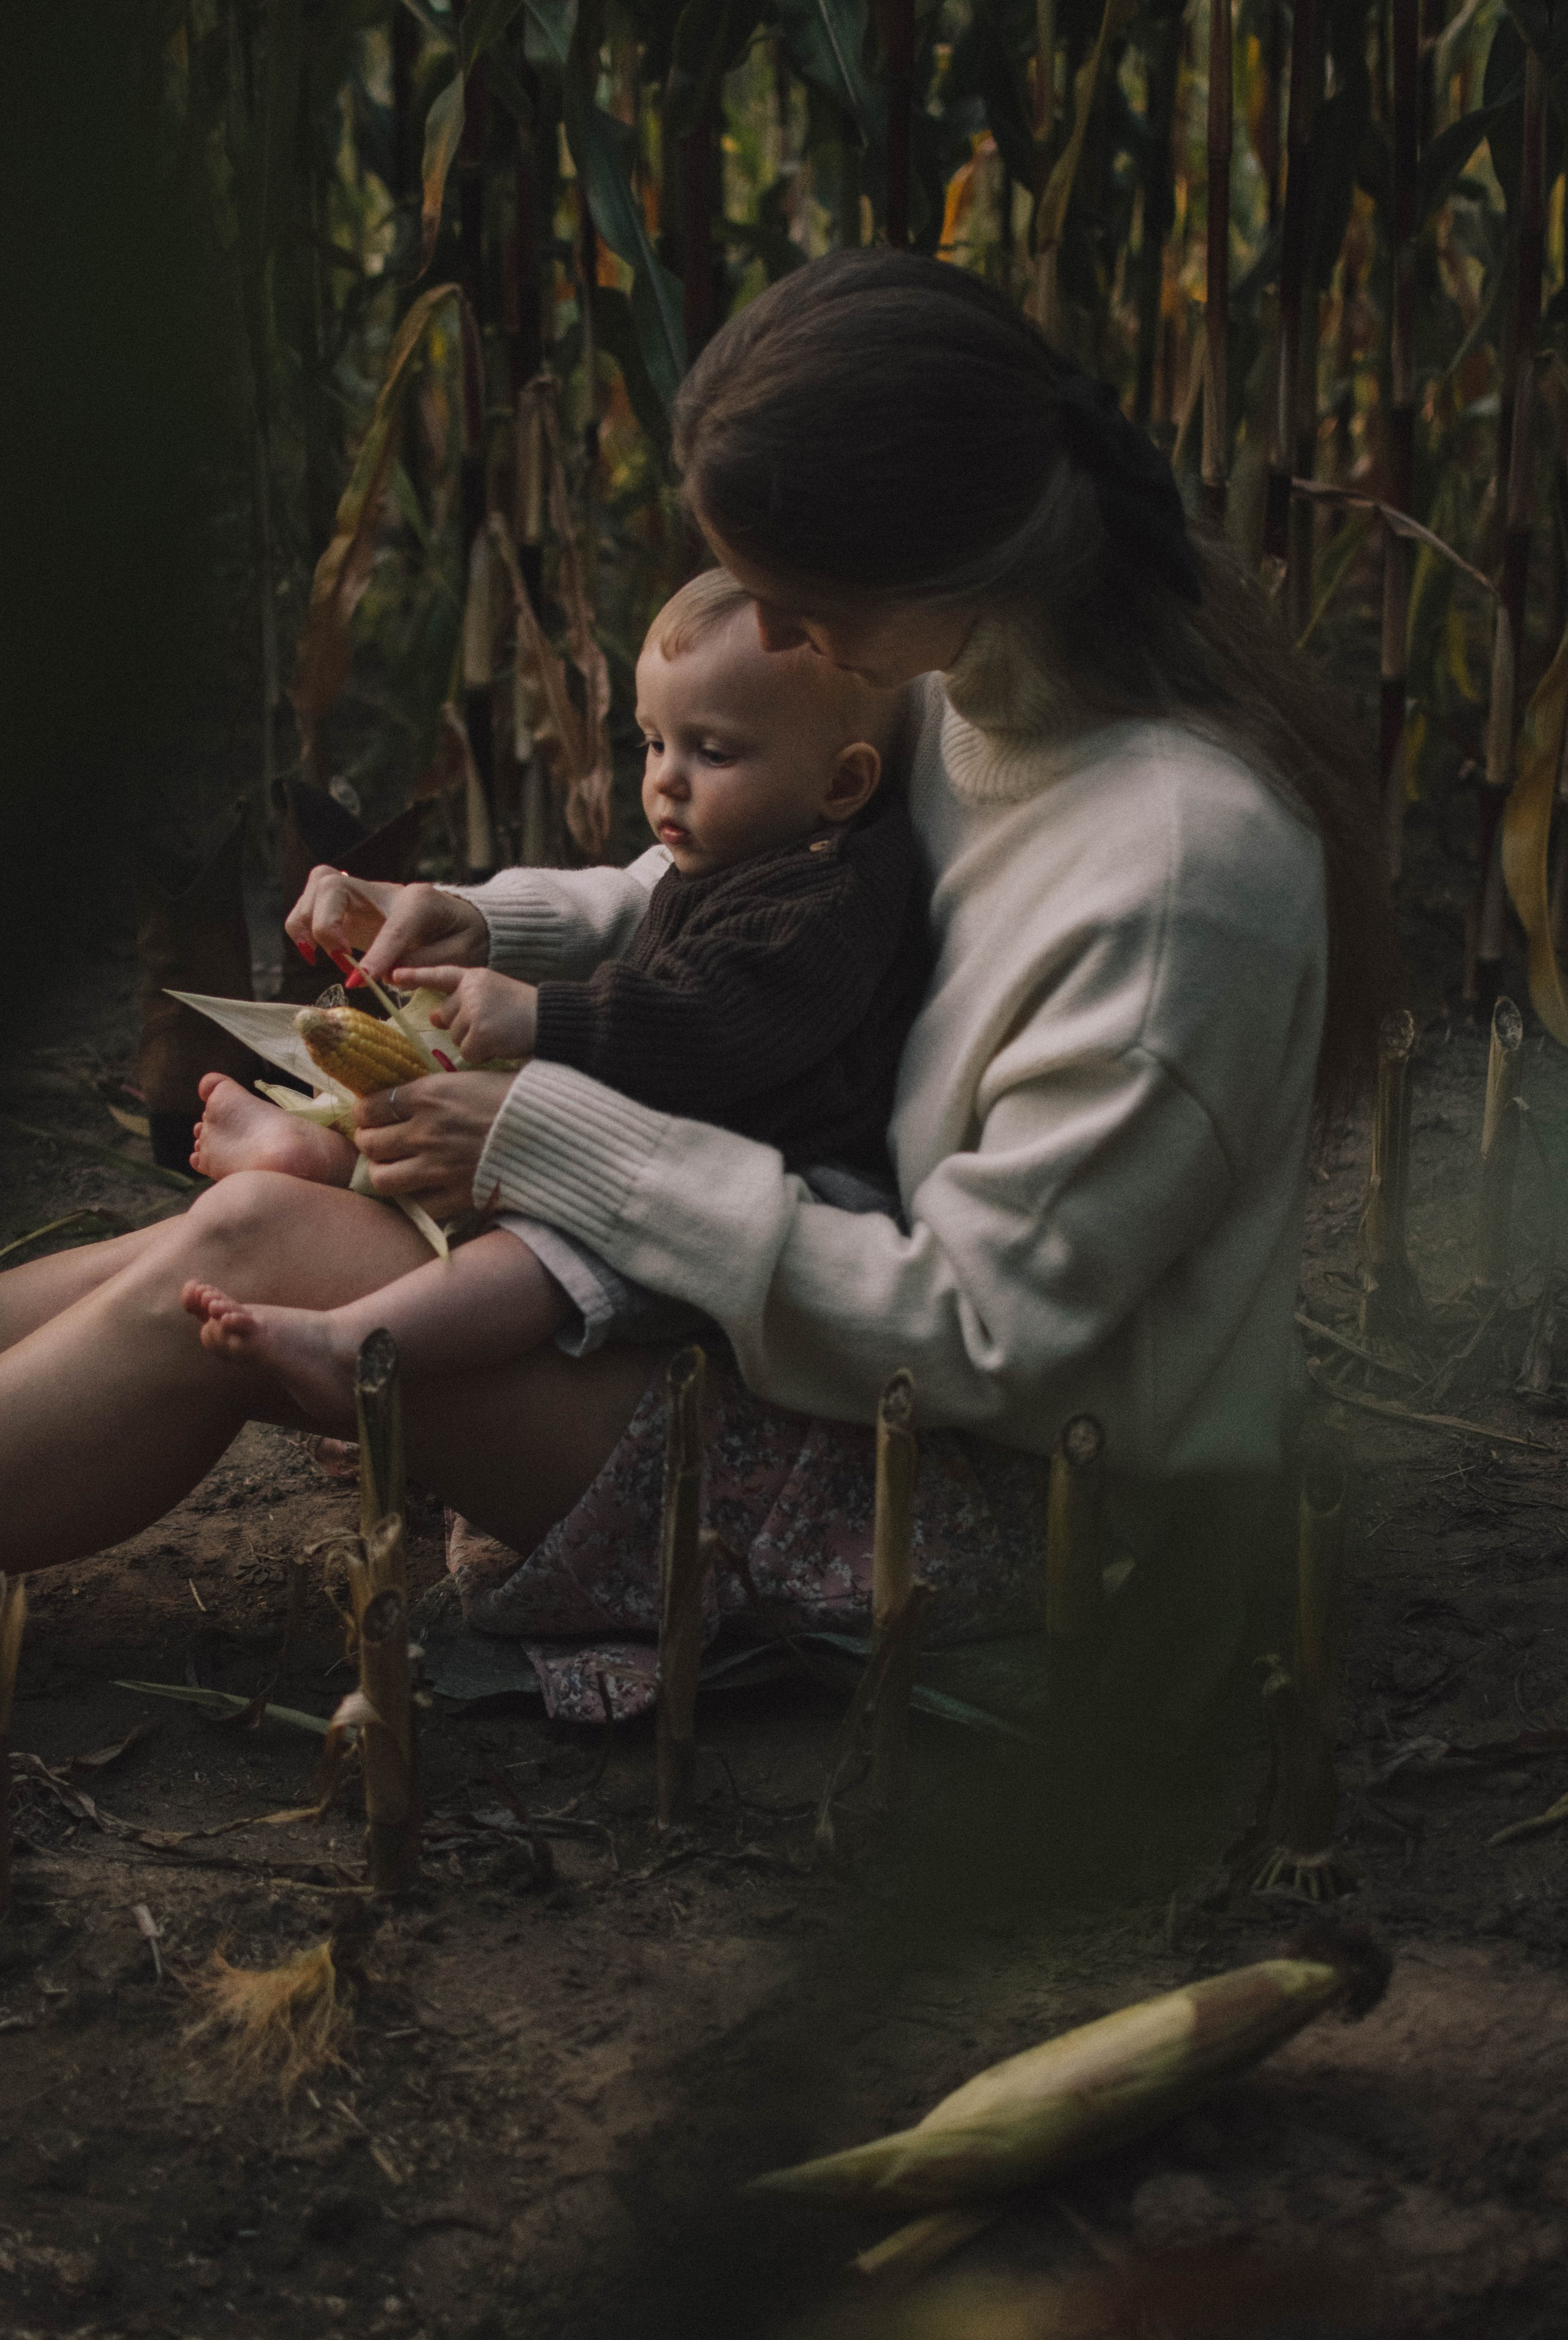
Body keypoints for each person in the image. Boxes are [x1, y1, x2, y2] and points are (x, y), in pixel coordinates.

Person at [0, 250, 1398, 1732]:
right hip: (821, 1364)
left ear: (927, 553)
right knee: (246, 1223)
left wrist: (553, 1143)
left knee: (273, 1239)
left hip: (998, 1513)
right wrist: (472, 922)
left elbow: (982, 1337)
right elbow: (727, 907)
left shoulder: (1178, 874)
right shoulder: (948, 686)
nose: (774, 637)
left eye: (793, 599)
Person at [179, 568, 922, 1427]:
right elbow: (643, 941)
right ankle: (331, 1160)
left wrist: (544, 1016)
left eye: (710, 752)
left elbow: (705, 1019)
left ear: (843, 785)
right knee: (501, 1147)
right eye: (653, 742)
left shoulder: (826, 908)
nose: (666, 781)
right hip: (703, 1128)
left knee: (551, 1248)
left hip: (784, 1185)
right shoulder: (757, 843)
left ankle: (356, 1347)